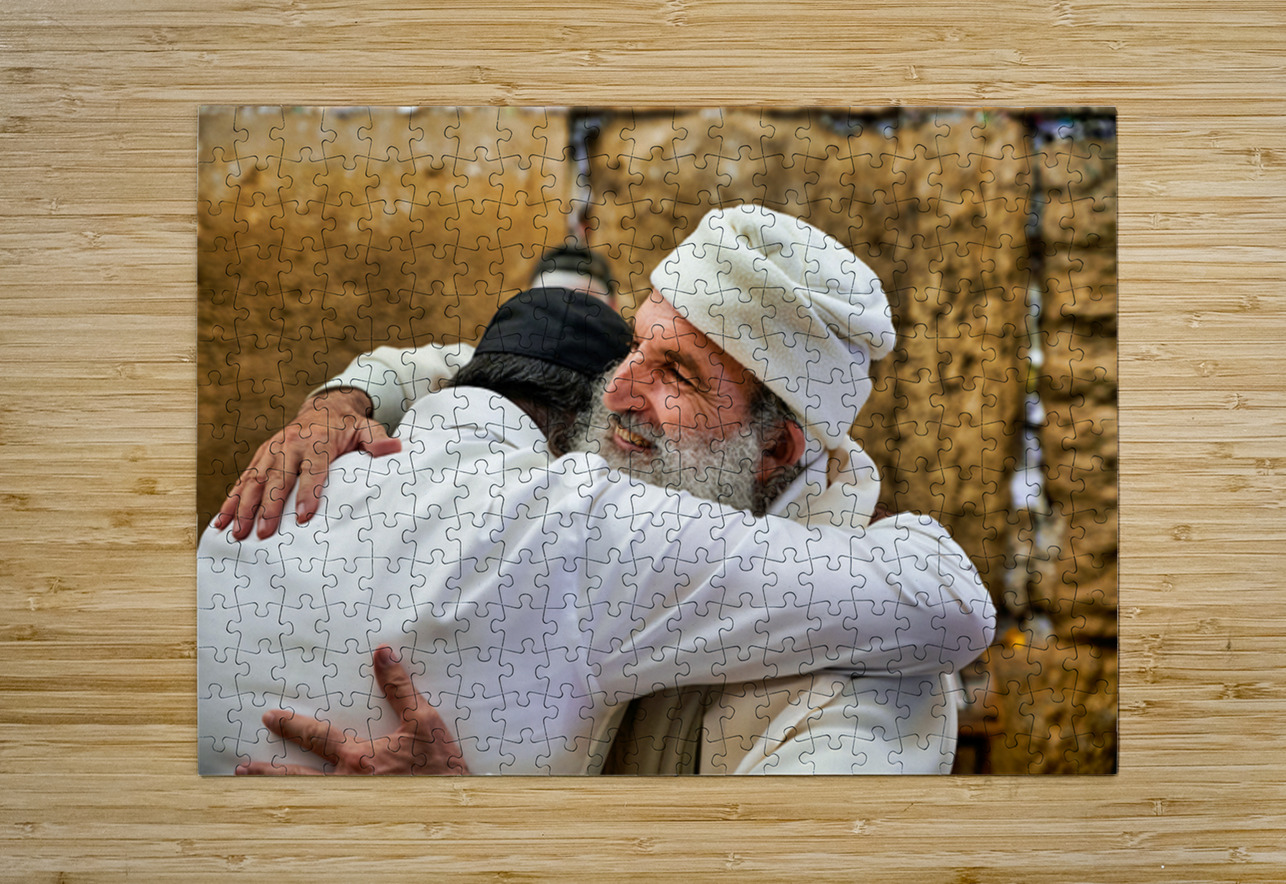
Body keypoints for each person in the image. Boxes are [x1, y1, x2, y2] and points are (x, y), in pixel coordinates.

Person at [208, 206, 995, 775]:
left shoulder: (872, 674)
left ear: (773, 449)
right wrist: (344, 400)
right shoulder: (615, 489)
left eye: (677, 375)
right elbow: (488, 367)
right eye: (637, 344)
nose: (617, 387)